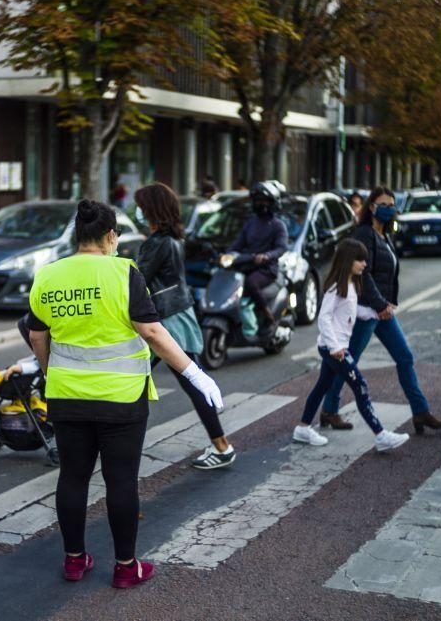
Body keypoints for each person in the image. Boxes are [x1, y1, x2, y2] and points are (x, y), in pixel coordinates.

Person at [27, 199, 222, 589]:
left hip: (67, 397)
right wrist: (195, 374)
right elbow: (152, 332)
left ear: (78, 235)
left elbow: (37, 335)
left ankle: (74, 560)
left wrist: (51, 374)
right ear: (111, 236)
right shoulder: (124, 272)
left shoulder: (48, 275)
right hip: (120, 399)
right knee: (120, 481)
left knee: (72, 478)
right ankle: (125, 566)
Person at [317, 187, 441, 434]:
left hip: (382, 310)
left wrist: (386, 305)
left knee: (405, 357)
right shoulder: (364, 234)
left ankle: (420, 412)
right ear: (372, 207)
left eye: (392, 203)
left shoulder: (384, 235)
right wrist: (380, 304)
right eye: (383, 203)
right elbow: (363, 274)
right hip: (366, 311)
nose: (389, 207)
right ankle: (329, 410)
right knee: (346, 362)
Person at [134, 183, 234, 470]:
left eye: (141, 207)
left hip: (167, 319)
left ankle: (223, 447)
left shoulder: (157, 243)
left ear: (151, 209)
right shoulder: (172, 238)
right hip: (178, 312)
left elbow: (137, 280)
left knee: (179, 382)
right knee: (187, 381)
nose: (138, 212)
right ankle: (221, 445)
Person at [293, 239, 409, 452]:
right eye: (360, 260)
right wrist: (335, 347)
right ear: (348, 260)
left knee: (322, 387)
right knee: (360, 386)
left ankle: (303, 428)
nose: (364, 264)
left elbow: (353, 311)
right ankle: (381, 435)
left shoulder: (351, 284)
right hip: (333, 350)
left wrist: (377, 313)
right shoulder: (336, 288)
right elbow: (324, 318)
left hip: (334, 348)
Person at [227, 181, 288, 335]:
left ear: (272, 202)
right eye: (258, 201)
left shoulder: (278, 225)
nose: (260, 204)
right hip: (248, 264)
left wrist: (267, 256)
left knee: (251, 282)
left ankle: (267, 315)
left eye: (264, 201)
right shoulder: (250, 224)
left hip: (267, 269)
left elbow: (281, 248)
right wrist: (226, 255)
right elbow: (237, 244)